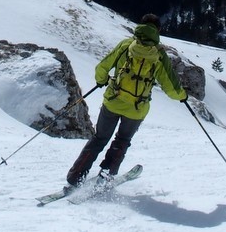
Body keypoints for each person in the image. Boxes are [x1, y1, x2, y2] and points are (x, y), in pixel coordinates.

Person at [66, 14, 188, 187]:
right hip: (137, 109)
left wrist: (102, 80)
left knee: (99, 138)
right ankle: (105, 177)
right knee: (122, 141)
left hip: (113, 101)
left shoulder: (126, 45)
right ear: (158, 30)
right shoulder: (159, 55)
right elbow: (171, 88)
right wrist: (182, 96)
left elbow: (102, 67)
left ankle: (75, 176)